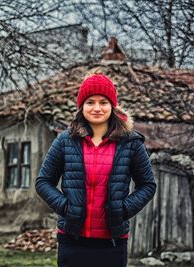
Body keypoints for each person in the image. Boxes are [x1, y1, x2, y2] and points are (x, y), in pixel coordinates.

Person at [35, 69, 157, 267]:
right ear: (81, 106)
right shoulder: (66, 140)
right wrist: (65, 207)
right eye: (90, 102)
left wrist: (123, 209)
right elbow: (43, 182)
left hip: (112, 242)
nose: (97, 108)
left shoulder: (131, 143)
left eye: (103, 102)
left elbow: (147, 185)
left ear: (113, 106)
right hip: (72, 239)